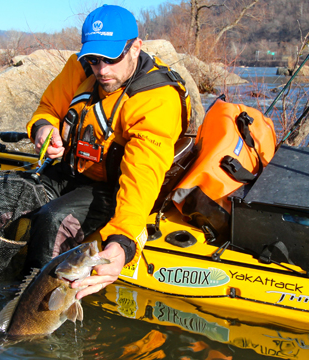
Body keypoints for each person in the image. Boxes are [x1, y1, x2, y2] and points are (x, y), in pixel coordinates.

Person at [24, 4, 191, 300]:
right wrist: (43, 129)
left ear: (136, 47)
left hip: (112, 189)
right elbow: (48, 108)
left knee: (53, 219)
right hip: (73, 171)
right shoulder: (82, 66)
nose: (101, 70)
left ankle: (40, 311)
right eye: (95, 59)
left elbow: (142, 176)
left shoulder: (157, 100)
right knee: (1, 198)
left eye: (111, 59)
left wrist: (122, 242)